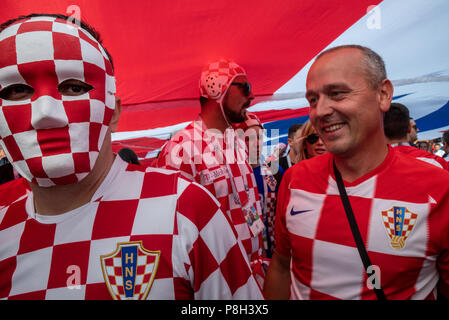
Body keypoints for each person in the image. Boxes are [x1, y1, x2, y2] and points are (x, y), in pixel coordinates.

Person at [0, 14, 263, 300]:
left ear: (113, 112)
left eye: (74, 87)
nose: (46, 113)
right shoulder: (183, 151)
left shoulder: (186, 207)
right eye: (16, 91)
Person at [264, 45, 449, 300]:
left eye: (337, 93)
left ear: (383, 94)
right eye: (313, 100)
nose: (320, 111)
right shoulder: (296, 179)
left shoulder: (440, 189)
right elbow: (282, 265)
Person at [157, 59, 266, 283]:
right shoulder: (182, 148)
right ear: (216, 89)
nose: (251, 96)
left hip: (252, 274)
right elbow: (168, 228)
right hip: (215, 282)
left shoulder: (237, 141)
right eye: (244, 87)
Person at [233, 112, 282, 259]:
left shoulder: (274, 172)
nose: (257, 143)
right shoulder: (233, 177)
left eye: (260, 137)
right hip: (247, 255)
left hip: (276, 252)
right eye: (249, 139)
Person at [384, 103, 448, 170]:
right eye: (414, 127)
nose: (418, 130)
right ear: (408, 128)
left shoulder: (376, 162)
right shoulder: (432, 161)